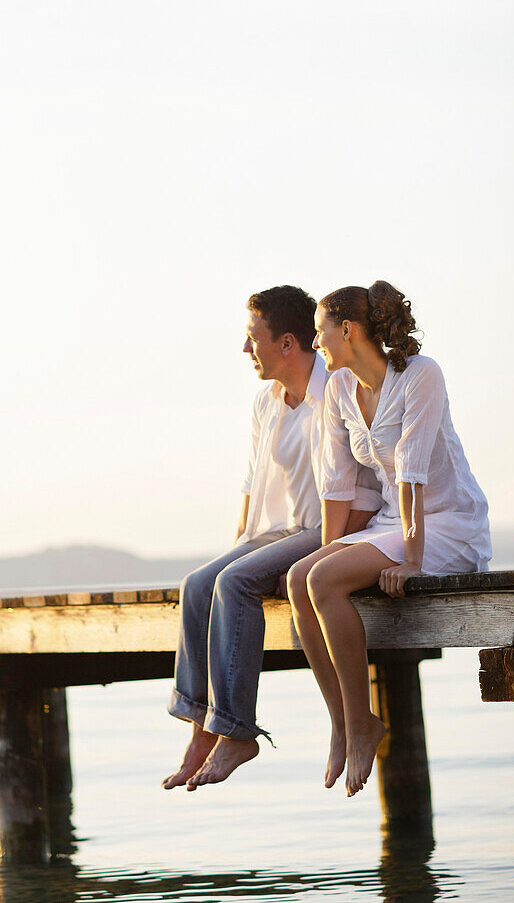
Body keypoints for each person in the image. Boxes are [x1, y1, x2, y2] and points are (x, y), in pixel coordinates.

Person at [163, 285, 382, 791]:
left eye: (251, 339)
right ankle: (202, 728)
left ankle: (237, 733)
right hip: (269, 534)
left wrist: (332, 550)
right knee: (199, 582)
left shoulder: (334, 391)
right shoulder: (266, 401)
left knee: (234, 584)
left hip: (323, 533)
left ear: (288, 343)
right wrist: (238, 541)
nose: (245, 350)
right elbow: (251, 480)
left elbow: (356, 484)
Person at [286, 281, 491, 799]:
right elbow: (338, 484)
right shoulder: (338, 391)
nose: (316, 345)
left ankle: (361, 725)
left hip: (446, 523)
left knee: (326, 582)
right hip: (390, 523)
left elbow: (413, 470)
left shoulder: (421, 375)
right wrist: (327, 555)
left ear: (347, 331)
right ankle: (343, 722)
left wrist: (414, 560)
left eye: (319, 333)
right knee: (300, 579)